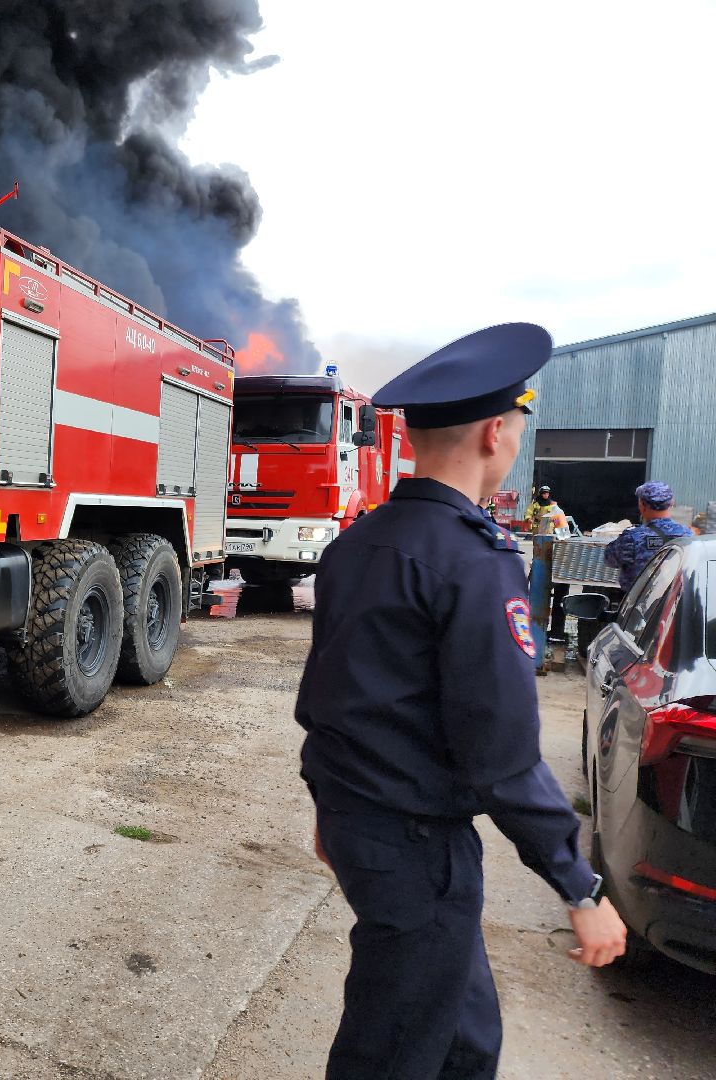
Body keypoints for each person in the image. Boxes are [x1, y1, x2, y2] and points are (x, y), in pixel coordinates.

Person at [295, 323, 626, 1080]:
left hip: (366, 827)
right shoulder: (473, 564)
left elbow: (329, 701)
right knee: (394, 1048)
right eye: (516, 424)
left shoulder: (357, 544)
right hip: (414, 845)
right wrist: (579, 886)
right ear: (493, 434)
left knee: (464, 1036)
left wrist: (327, 807)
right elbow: (502, 753)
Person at [602, 481, 692, 591]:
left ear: (642, 505)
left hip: (639, 605)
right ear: (672, 503)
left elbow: (609, 560)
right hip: (675, 604)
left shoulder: (631, 538)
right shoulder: (688, 535)